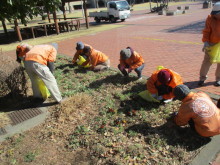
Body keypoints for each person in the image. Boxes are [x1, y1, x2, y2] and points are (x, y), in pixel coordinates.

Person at [198, 2, 220, 87]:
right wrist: (205, 42)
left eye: (217, 14)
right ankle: (202, 78)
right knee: (206, 61)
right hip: (211, 43)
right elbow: (206, 31)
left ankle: (218, 79)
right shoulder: (210, 18)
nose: (216, 16)